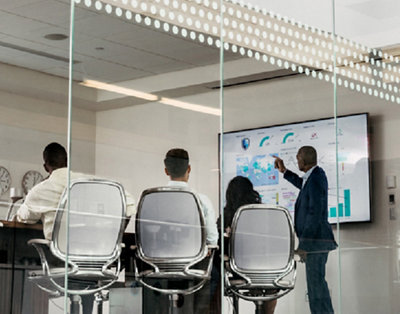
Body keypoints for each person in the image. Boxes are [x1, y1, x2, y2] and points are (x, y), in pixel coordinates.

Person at [15, 142, 136, 314]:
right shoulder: (89, 182)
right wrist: (115, 234)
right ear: (67, 160)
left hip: (60, 259)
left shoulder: (41, 190)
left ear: (45, 166)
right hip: (96, 262)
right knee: (84, 279)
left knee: (21, 273)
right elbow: (130, 204)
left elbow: (22, 217)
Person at [273, 146, 337, 314]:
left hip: (316, 243)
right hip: (315, 243)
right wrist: (284, 171)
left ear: (305, 159)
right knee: (316, 288)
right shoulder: (313, 177)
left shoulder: (316, 177)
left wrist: (305, 244)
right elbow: (302, 184)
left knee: (317, 289)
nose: (297, 160)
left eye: (298, 157)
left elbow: (314, 213)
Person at [222, 176, 277, 314]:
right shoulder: (265, 213)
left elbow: (222, 246)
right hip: (267, 270)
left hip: (240, 270)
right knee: (269, 284)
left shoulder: (227, 216)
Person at [164, 148, 218, 245]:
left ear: (166, 171)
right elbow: (212, 239)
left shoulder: (151, 199)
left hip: (157, 258)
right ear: (189, 169)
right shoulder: (202, 201)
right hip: (192, 258)